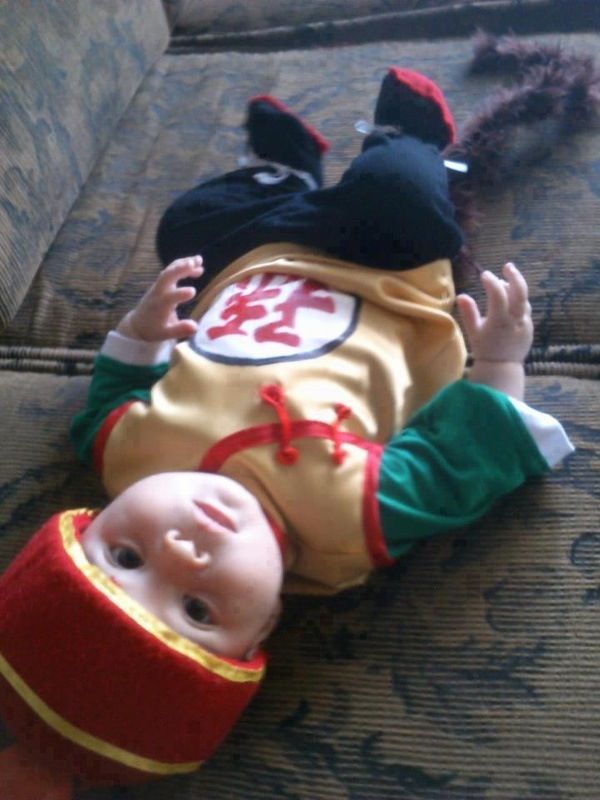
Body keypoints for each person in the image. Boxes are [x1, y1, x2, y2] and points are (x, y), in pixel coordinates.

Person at [0, 69, 574, 791]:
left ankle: (284, 172)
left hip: (255, 260)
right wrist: (498, 360)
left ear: (85, 523)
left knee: (187, 222)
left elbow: (107, 398)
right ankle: (410, 139)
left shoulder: (126, 456)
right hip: (383, 270)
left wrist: (141, 333)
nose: (183, 551)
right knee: (401, 187)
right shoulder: (347, 524)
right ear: (264, 626)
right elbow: (459, 461)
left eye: (125, 557)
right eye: (198, 609)